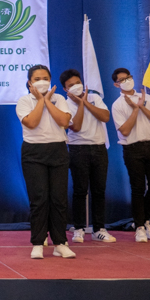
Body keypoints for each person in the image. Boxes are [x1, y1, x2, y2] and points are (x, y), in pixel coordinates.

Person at [16, 64, 76, 259]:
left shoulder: (59, 99)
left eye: (45, 78)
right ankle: (38, 242)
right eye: (37, 79)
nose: (42, 82)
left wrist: (47, 100)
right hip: (34, 152)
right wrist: (41, 100)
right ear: (29, 83)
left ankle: (60, 242)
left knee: (59, 198)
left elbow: (64, 122)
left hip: (58, 150)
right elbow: (32, 123)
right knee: (39, 199)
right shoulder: (24, 101)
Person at [60, 69, 116, 243]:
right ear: (65, 89)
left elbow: (105, 117)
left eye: (78, 83)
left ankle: (99, 229)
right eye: (71, 85)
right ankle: (79, 228)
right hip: (78, 149)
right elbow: (74, 127)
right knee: (80, 190)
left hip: (99, 148)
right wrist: (80, 104)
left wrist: (85, 101)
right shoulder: (64, 104)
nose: (76, 87)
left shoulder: (95, 98)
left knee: (99, 190)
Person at [111, 68, 150, 243]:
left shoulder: (147, 97)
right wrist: (134, 110)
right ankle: (140, 226)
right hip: (132, 149)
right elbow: (125, 131)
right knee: (138, 188)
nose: (127, 81)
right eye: (122, 80)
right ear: (116, 84)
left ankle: (144, 219)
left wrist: (141, 106)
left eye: (129, 77)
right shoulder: (117, 105)